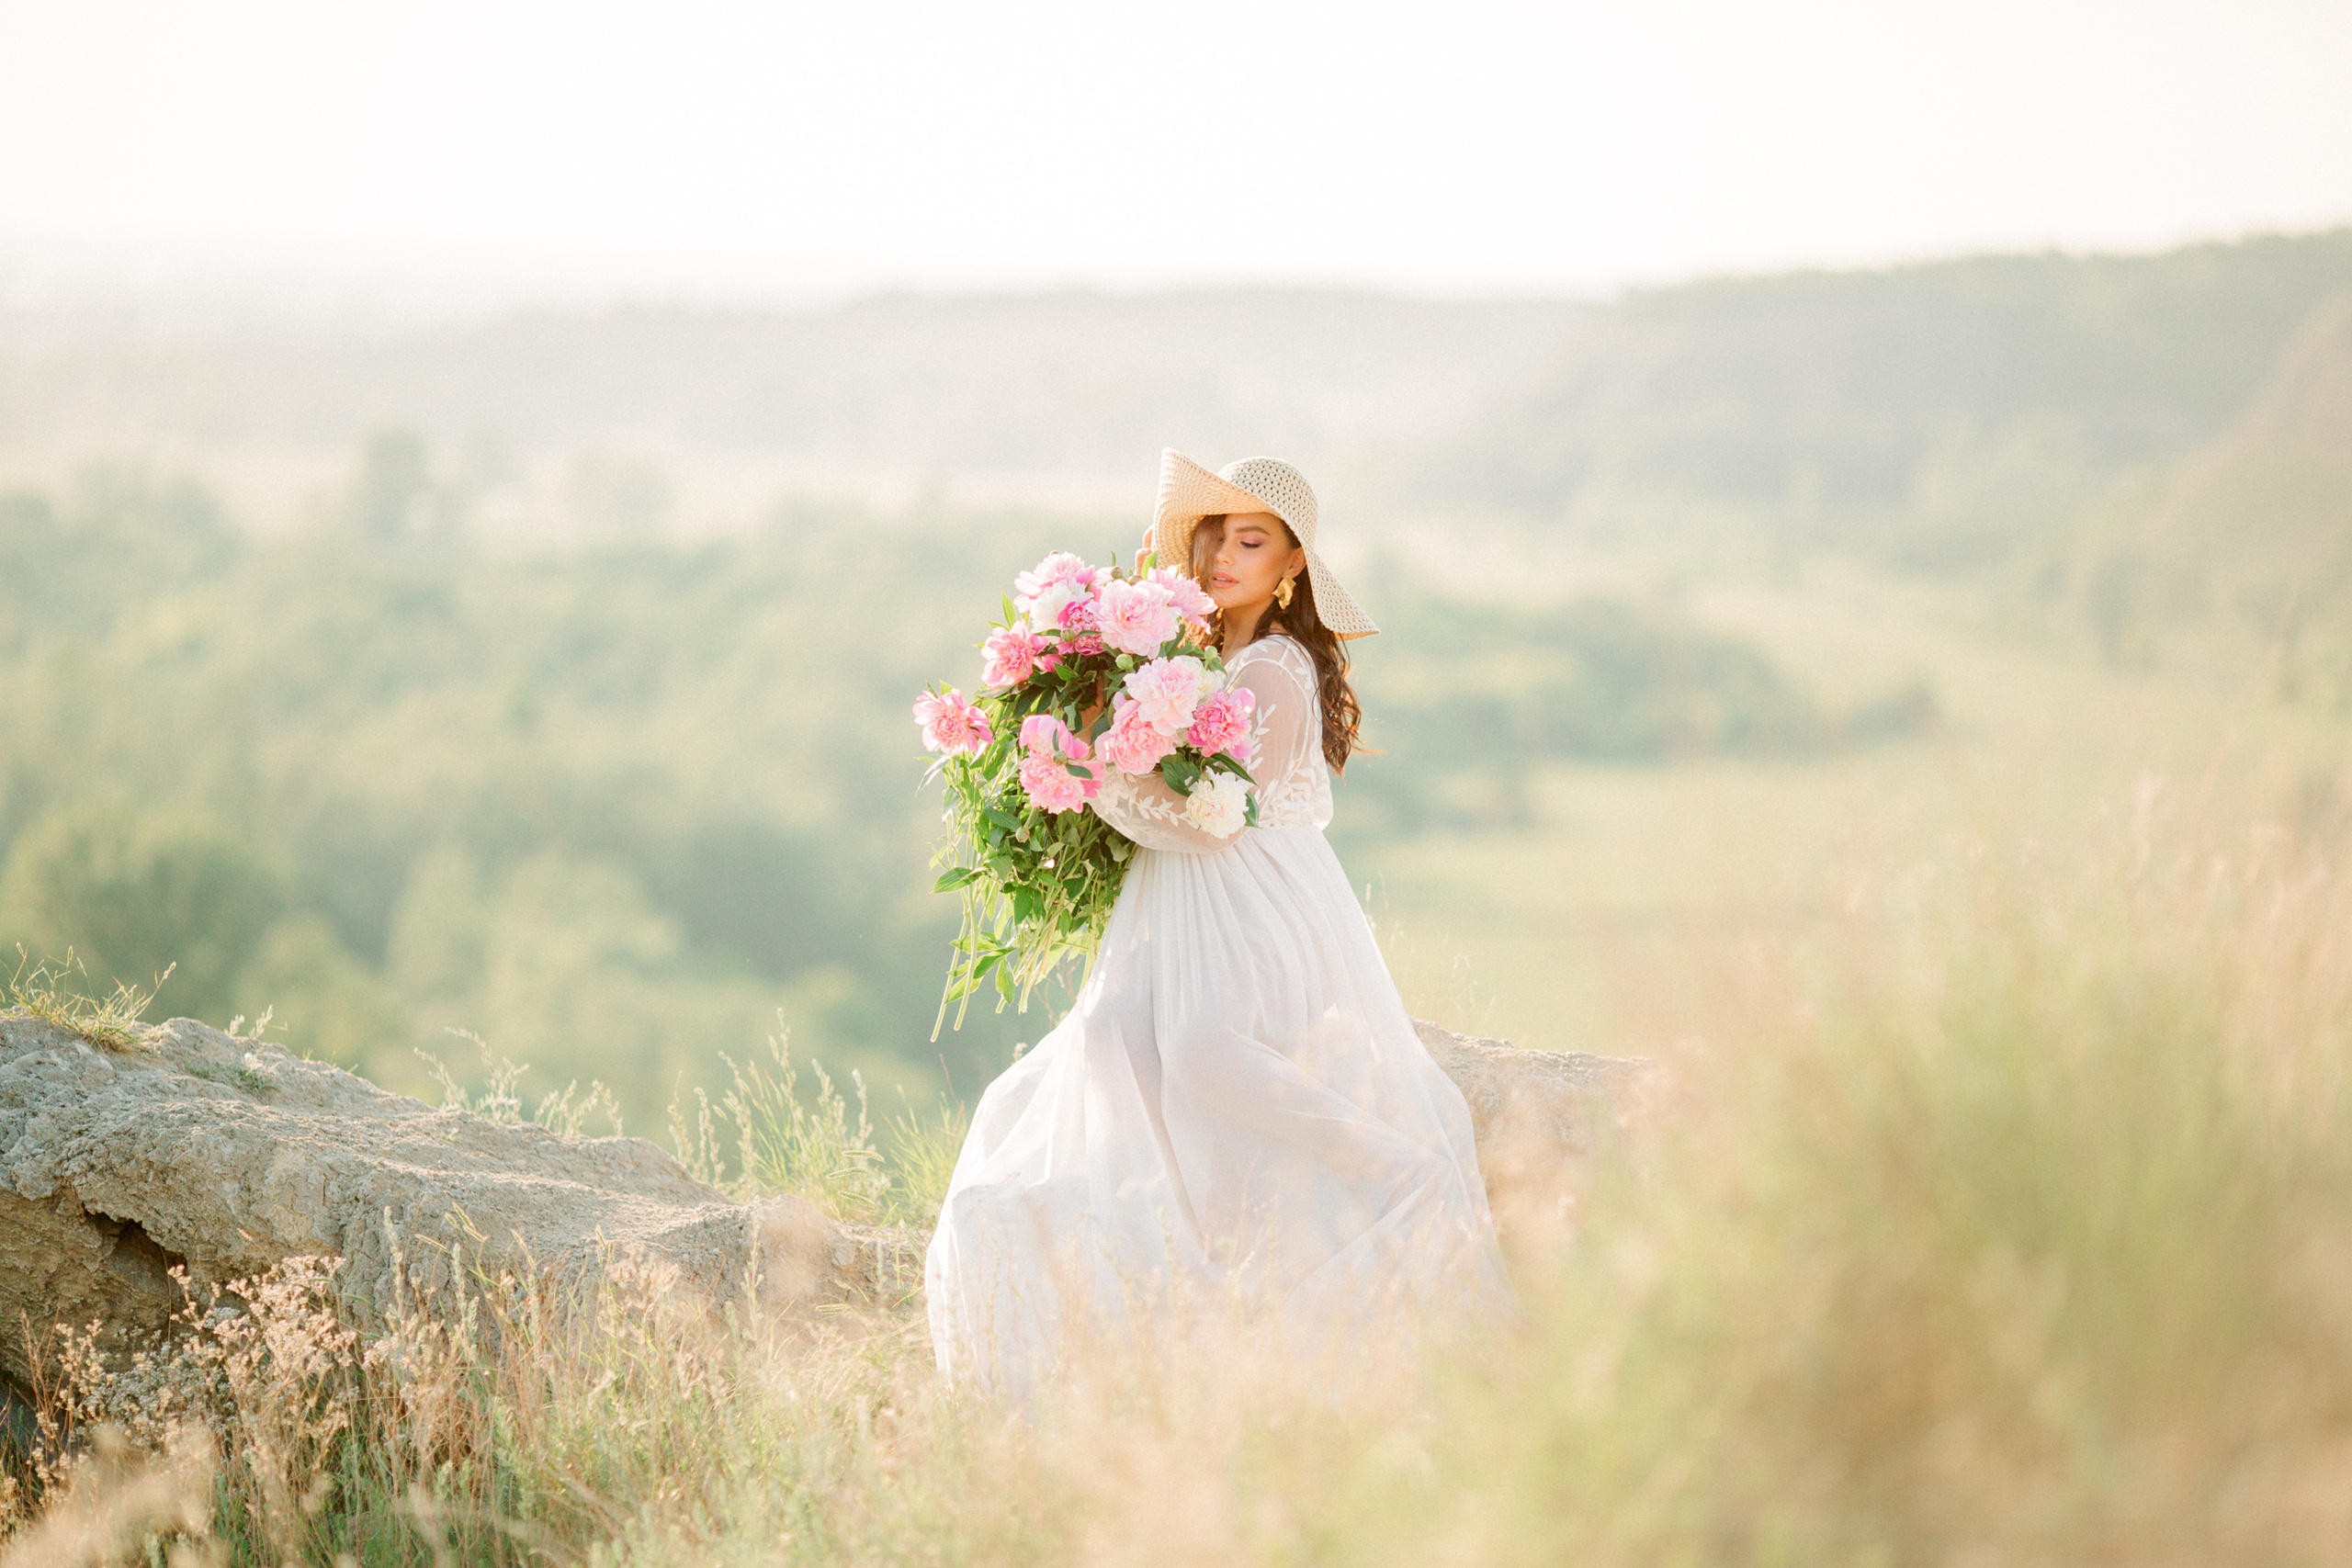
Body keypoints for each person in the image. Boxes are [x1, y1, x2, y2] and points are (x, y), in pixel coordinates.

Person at [924, 450, 1508, 1402]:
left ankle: (1397, 1171)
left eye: (1252, 541)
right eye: (1213, 536)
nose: (1224, 555)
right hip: (1179, 897)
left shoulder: (1276, 666)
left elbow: (1220, 813)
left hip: (1255, 896)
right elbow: (1171, 801)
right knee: (1108, 1037)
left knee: (1200, 1048)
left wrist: (1093, 768)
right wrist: (1086, 727)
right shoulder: (1191, 659)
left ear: (1290, 569)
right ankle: (1177, 1245)